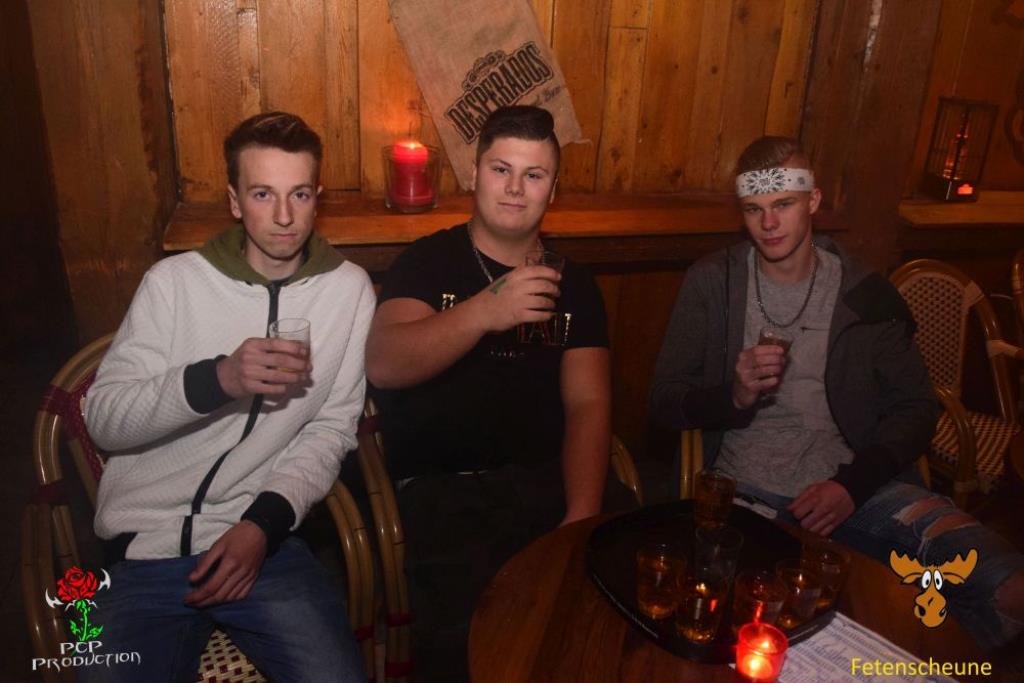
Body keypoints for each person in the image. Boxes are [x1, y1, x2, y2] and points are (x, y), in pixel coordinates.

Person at [651, 135, 1024, 650]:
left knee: (1009, 587)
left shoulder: (865, 293)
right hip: (747, 495)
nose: (769, 223)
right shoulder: (713, 282)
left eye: (783, 204)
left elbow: (917, 406)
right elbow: (663, 401)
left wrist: (852, 484)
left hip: (859, 488)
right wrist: (732, 396)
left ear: (813, 201)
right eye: (754, 209)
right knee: (751, 633)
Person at [83, 112, 373, 682]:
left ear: (317, 200)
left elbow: (331, 430)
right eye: (263, 194)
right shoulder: (173, 284)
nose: (284, 216)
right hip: (143, 556)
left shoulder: (349, 291)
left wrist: (262, 527)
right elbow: (104, 420)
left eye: (300, 194)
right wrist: (218, 380)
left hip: (263, 547)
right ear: (235, 202)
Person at [365, 105, 632, 680]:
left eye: (533, 175)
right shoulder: (428, 262)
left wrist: (581, 514)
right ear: (474, 175)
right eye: (501, 169)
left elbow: (588, 405)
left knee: (615, 624)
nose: (515, 188)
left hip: (549, 481)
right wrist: (487, 310)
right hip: (447, 492)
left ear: (551, 190)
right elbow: (384, 364)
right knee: (476, 647)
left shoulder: (574, 283)